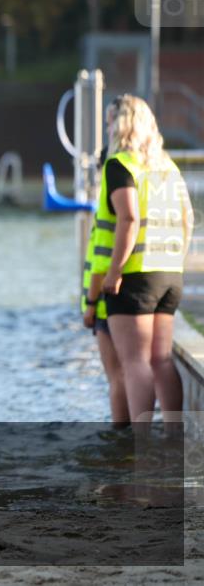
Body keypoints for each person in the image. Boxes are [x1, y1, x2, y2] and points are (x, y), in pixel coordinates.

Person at [96, 94, 192, 425]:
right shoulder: (166, 166)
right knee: (161, 360)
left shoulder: (119, 165)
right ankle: (174, 434)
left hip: (135, 277)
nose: (107, 128)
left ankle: (142, 445)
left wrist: (114, 272)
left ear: (120, 125)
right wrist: (175, 259)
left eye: (110, 122)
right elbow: (188, 218)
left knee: (135, 361)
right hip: (169, 274)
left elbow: (128, 219)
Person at [83, 98, 128, 428]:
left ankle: (121, 439)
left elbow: (100, 259)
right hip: (128, 293)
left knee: (116, 378)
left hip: (105, 306)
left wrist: (90, 303)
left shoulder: (106, 208)